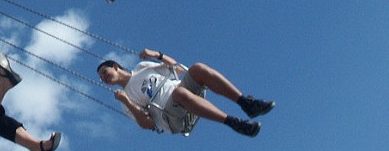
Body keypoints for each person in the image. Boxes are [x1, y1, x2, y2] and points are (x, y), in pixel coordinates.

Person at [97, 50, 274, 137]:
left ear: (115, 66)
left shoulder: (141, 68)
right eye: (101, 78)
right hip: (170, 115)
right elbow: (148, 124)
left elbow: (177, 69)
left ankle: (246, 103)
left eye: (105, 73)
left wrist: (157, 54)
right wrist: (127, 101)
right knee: (180, 94)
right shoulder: (125, 99)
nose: (104, 78)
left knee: (198, 68)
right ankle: (234, 122)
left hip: (179, 89)